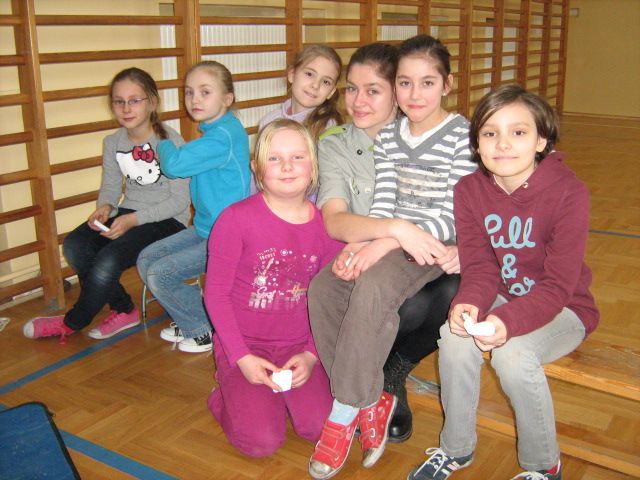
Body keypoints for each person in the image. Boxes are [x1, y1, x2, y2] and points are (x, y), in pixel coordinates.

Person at [406, 85, 600, 480]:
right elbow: (480, 266)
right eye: (490, 133)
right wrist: (469, 302)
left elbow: (557, 287)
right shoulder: (469, 190)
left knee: (512, 355)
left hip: (564, 308)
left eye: (519, 132)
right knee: (454, 335)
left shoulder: (568, 193)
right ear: (477, 143)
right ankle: (456, 448)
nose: (503, 144)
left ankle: (543, 465)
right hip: (503, 296)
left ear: (541, 140)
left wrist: (506, 321)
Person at [308, 35, 476, 479]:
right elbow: (384, 200)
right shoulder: (390, 138)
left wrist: (383, 243)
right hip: (395, 241)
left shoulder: (461, 136)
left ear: (447, 85)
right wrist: (372, 240)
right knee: (325, 287)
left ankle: (343, 413)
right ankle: (371, 396)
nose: (415, 94)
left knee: (373, 287)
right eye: (405, 82)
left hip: (434, 244)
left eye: (427, 83)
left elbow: (452, 212)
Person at [204, 119, 343, 457]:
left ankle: (271, 399)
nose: (287, 166)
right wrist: (241, 357)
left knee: (317, 428)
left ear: (313, 166)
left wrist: (311, 354)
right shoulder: (235, 219)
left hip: (298, 347)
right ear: (256, 167)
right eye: (274, 158)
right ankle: (224, 396)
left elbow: (332, 301)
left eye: (297, 157)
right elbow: (216, 294)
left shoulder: (328, 227)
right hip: (245, 346)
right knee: (261, 442)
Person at [23, 67, 190, 341]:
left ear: (152, 102)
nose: (126, 108)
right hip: (129, 212)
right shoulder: (113, 142)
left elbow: (179, 201)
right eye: (118, 101)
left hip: (167, 220)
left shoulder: (170, 142)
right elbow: (111, 188)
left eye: (134, 100)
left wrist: (132, 220)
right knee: (75, 246)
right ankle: (124, 309)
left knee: (107, 259)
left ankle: (72, 322)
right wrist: (106, 208)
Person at [137, 61, 250, 353]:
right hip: (206, 227)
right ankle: (192, 317)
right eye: (189, 92)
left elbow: (174, 166)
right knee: (147, 259)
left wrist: (162, 141)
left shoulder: (222, 137)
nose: (195, 99)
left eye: (205, 92)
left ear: (227, 98)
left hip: (228, 235)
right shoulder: (216, 131)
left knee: (160, 274)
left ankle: (202, 329)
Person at [258, 44, 343, 141]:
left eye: (326, 82)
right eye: (309, 74)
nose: (315, 85)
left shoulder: (328, 129)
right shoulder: (268, 121)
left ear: (331, 92)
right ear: (292, 75)